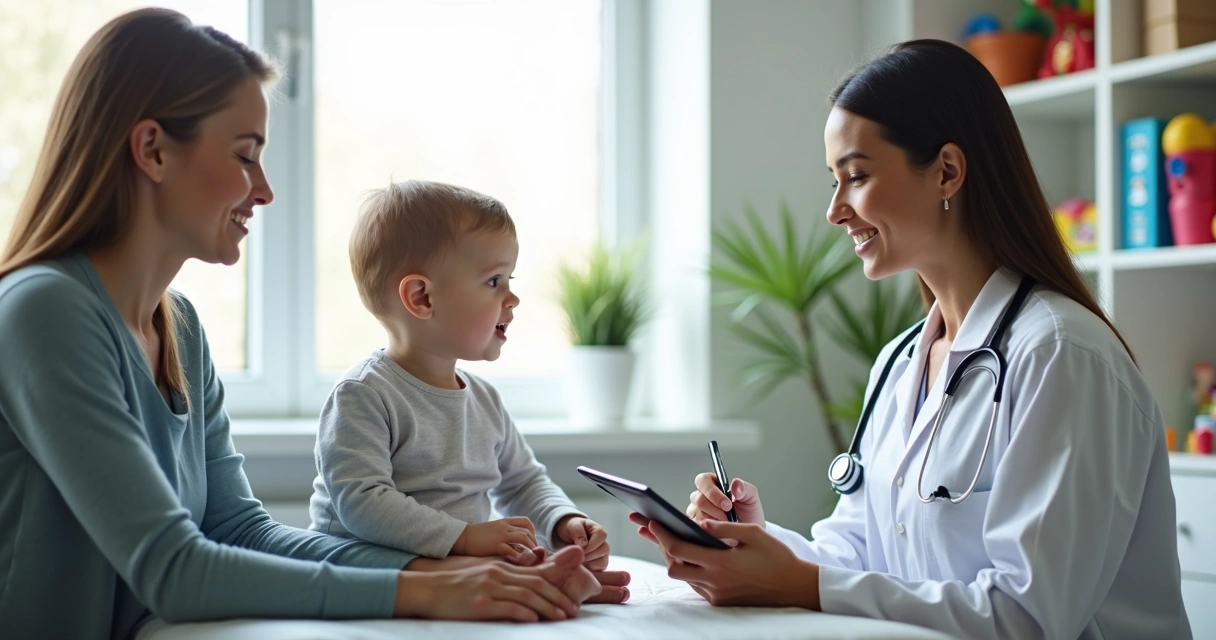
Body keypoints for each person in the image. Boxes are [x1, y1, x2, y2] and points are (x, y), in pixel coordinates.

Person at [0, 9, 626, 639]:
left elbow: (241, 531)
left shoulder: (180, 328)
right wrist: (422, 590)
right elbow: (174, 571)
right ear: (153, 150)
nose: (265, 189)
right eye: (246, 157)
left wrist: (469, 573)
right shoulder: (44, 310)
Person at [631, 40, 1192, 639]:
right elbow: (860, 559)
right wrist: (757, 545)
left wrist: (795, 582)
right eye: (834, 183)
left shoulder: (1061, 355)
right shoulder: (900, 363)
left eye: (857, 176)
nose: (836, 212)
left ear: (947, 170)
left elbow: (1029, 618)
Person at [307, 179, 614, 570]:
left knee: (538, 574)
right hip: (365, 572)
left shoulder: (484, 400)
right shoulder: (363, 395)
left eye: (509, 281)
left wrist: (563, 521)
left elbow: (522, 482)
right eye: (493, 281)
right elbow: (362, 502)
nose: (513, 297)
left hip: (453, 569)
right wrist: (465, 537)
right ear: (422, 298)